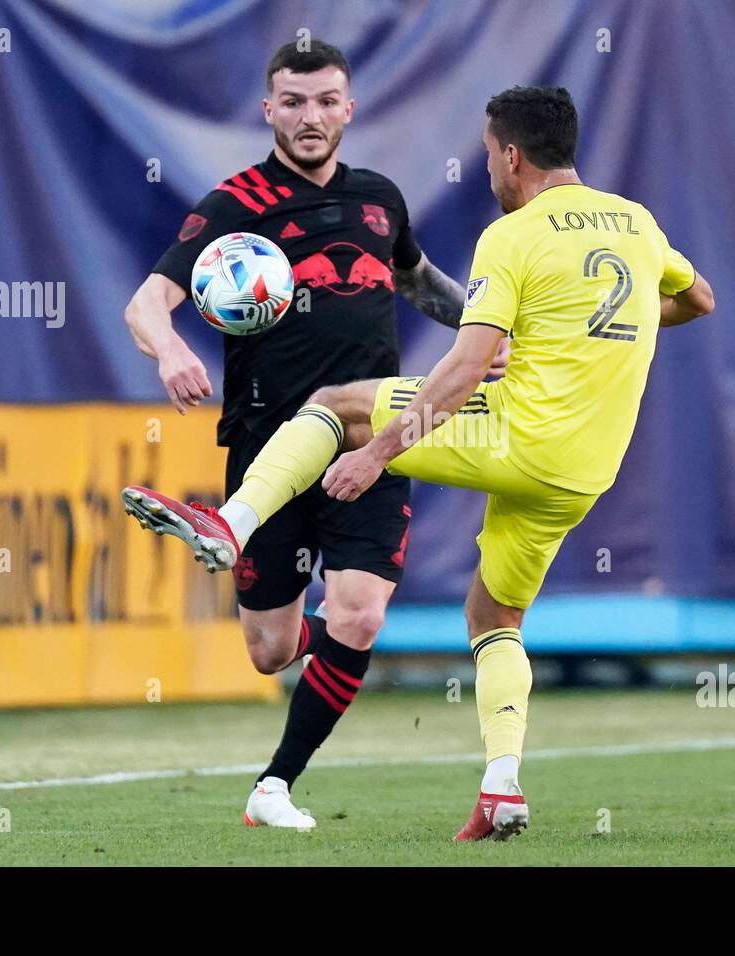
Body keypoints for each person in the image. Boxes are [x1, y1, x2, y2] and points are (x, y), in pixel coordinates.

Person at [126, 85, 713, 841]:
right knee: (494, 617)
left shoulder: (514, 236)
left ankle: (231, 523)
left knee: (340, 405)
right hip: (585, 471)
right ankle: (502, 786)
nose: (490, 174)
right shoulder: (636, 222)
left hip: (516, 433)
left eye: (489, 156)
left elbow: (467, 366)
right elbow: (698, 297)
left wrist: (376, 454)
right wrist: (620, 322)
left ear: (510, 153)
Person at [122, 40, 500, 830]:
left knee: (360, 613)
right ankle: (328, 656)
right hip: (270, 450)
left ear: (349, 108)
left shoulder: (379, 200)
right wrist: (172, 346)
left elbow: (418, 281)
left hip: (378, 437)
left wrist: (482, 331)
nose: (311, 117)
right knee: (269, 649)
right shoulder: (235, 206)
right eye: (293, 103)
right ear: (269, 111)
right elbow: (146, 304)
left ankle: (274, 786)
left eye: (327, 100)